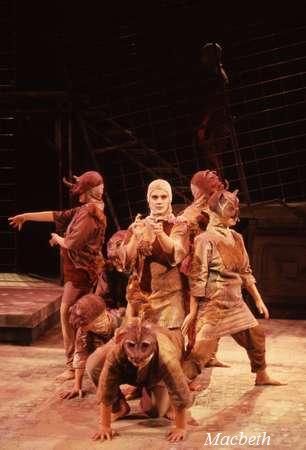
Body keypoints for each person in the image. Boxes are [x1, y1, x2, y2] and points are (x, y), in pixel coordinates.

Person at [182, 189, 286, 389]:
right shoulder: (205, 240)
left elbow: (245, 272)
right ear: (213, 212)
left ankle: (261, 374)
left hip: (236, 302)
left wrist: (258, 299)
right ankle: (179, 384)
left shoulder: (237, 237)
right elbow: (197, 277)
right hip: (214, 305)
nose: (235, 216)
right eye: (230, 210)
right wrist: (194, 311)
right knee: (202, 351)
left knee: (256, 335)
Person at [9, 171, 106, 381]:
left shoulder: (90, 212)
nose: (77, 192)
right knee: (80, 316)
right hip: (79, 269)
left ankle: (73, 365)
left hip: (81, 272)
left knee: (68, 314)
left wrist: (58, 238)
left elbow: (72, 243)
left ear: (88, 191)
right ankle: (82, 361)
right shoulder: (85, 209)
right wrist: (27, 216)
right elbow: (57, 215)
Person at [86, 318, 192, 443]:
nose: (137, 354)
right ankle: (122, 404)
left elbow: (178, 390)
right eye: (131, 345)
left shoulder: (167, 357)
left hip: (158, 374)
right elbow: (106, 387)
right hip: (134, 372)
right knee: (96, 366)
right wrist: (105, 426)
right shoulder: (116, 352)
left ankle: (151, 391)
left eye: (144, 346)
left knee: (156, 411)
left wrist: (180, 427)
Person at [179, 170, 228, 367]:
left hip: (215, 268)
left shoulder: (216, 210)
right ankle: (192, 358)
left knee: (216, 312)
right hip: (196, 270)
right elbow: (183, 247)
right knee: (195, 316)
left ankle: (210, 354)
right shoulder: (189, 215)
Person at [59, 293, 125, 400]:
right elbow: (81, 355)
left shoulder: (120, 322)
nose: (82, 328)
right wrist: (77, 386)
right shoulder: (83, 331)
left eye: (84, 325)